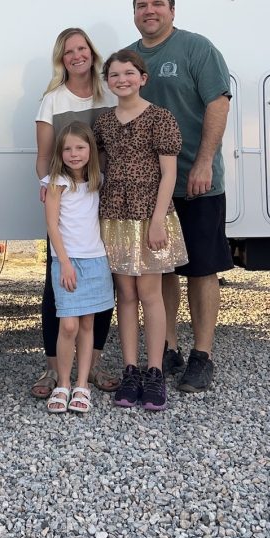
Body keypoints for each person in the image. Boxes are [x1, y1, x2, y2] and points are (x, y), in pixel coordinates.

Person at [128, 0, 233, 393]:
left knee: (202, 270)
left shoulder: (196, 48)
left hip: (196, 181)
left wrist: (205, 160)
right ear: (134, 13)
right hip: (151, 189)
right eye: (141, 5)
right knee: (162, 268)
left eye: (157, 4)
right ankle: (168, 346)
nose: (149, 11)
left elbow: (218, 103)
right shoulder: (131, 57)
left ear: (172, 10)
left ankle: (202, 356)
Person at [93, 51, 187, 411]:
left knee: (150, 293)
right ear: (108, 81)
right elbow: (101, 168)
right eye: (114, 74)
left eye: (129, 73)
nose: (122, 79)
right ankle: (130, 369)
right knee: (125, 295)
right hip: (115, 215)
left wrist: (159, 219)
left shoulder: (160, 118)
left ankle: (155, 371)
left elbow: (169, 174)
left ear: (143, 77)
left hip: (150, 215)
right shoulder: (104, 123)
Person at [31, 28, 119, 399]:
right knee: (58, 292)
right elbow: (44, 156)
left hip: (108, 201)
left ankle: (93, 365)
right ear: (61, 59)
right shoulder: (52, 100)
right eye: (69, 51)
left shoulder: (111, 93)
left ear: (92, 53)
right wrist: (49, 185)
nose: (77, 55)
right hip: (68, 204)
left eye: (82, 48)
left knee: (102, 291)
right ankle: (54, 370)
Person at [43, 122, 115, 414]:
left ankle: (82, 384)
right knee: (69, 324)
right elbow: (52, 225)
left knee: (87, 324)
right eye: (68, 148)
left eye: (80, 148)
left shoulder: (97, 181)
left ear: (90, 151)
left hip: (95, 260)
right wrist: (65, 263)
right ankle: (63, 382)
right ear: (60, 152)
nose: (74, 154)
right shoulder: (56, 182)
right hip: (68, 261)